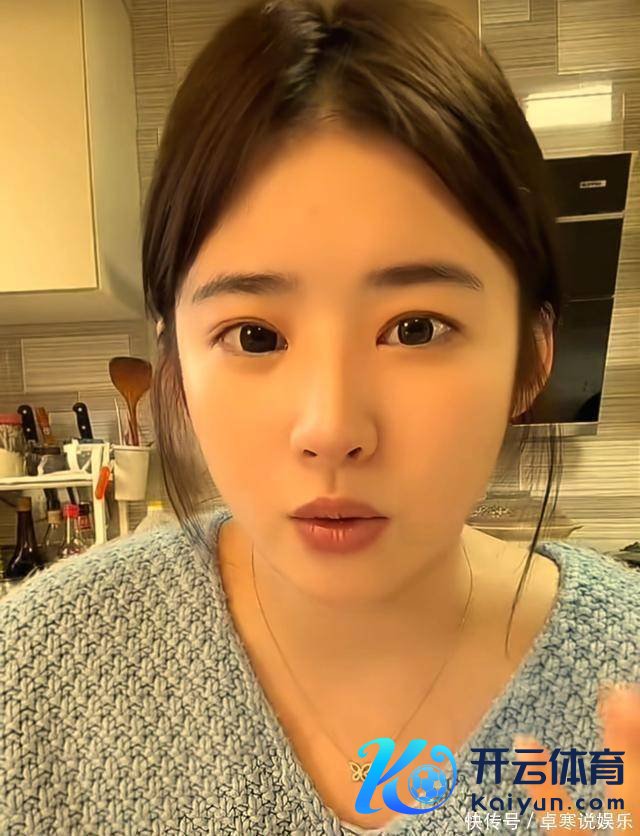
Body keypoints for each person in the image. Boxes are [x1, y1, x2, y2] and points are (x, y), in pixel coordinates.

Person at [2, 1, 638, 834]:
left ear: (532, 356)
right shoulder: (34, 674)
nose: (331, 428)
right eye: (255, 336)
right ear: (176, 362)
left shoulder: (626, 660)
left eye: (417, 328)